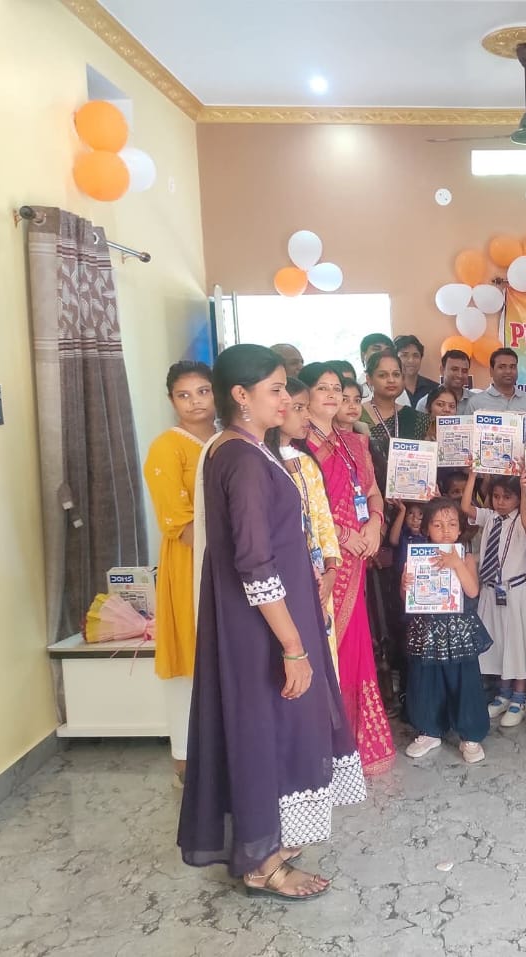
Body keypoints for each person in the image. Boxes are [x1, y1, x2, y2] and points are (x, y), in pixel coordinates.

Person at [179, 344, 365, 901]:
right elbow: (254, 563)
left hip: (275, 619)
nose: (288, 399)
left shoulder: (250, 450)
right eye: (277, 389)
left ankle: (271, 842)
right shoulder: (239, 458)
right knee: (271, 731)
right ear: (242, 396)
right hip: (264, 627)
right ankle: (262, 862)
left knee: (281, 729)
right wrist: (292, 646)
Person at [298, 362, 396, 774]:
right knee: (324, 648)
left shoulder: (355, 442)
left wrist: (374, 523)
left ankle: (359, 743)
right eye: (323, 388)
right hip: (323, 561)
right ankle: (324, 746)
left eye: (337, 387)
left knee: (356, 647)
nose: (332, 394)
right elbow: (300, 507)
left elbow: (372, 491)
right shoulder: (294, 446)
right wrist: (341, 533)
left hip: (357, 556)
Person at [144, 360, 216, 788]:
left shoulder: (229, 438)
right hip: (191, 565)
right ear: (171, 400)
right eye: (184, 395)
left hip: (229, 566)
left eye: (203, 391)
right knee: (190, 660)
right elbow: (179, 521)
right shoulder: (166, 448)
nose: (195, 402)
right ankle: (187, 763)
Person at [401, 498, 492, 764]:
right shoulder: (416, 555)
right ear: (426, 528)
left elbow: (473, 591)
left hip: (459, 631)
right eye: (437, 525)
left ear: (460, 528)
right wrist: (405, 583)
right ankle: (430, 731)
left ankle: (470, 735)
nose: (445, 530)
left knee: (464, 682)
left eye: (452, 524)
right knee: (426, 680)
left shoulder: (467, 556)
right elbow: (405, 596)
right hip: (427, 631)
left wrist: (457, 564)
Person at [273, 378, 343, 672]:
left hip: (318, 576)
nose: (305, 416)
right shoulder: (263, 461)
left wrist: (331, 569)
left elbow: (324, 521)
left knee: (323, 652)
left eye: (305, 408)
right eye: (298, 408)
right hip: (286, 576)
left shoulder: (306, 462)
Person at [460, 469, 526, 727]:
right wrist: (472, 476)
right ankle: (503, 693)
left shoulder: (523, 523)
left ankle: (520, 697)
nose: (500, 502)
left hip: (514, 591)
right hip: (491, 590)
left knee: (517, 645)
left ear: (517, 499)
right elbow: (465, 507)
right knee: (499, 643)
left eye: (507, 497)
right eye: (496, 496)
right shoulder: (490, 517)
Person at [358, 351, 432, 483]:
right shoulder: (357, 415)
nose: (391, 380)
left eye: (396, 375)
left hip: (411, 491)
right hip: (371, 492)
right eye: (382, 375)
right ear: (369, 379)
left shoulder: (415, 418)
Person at [460, 348, 526, 415]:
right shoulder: (475, 402)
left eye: (512, 367)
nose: (508, 371)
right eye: (502, 367)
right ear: (491, 371)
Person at [394, 335, 440, 408]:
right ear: (395, 358)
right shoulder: (390, 387)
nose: (410, 360)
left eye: (415, 356)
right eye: (404, 355)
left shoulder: (435, 389)